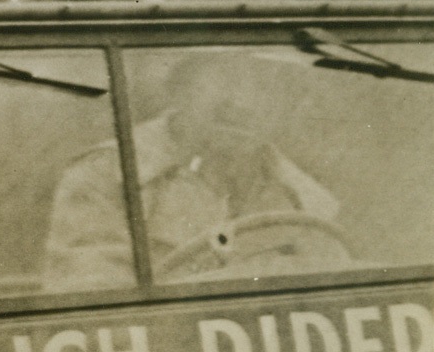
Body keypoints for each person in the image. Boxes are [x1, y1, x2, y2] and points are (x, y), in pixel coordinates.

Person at [43, 52, 342, 291]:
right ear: (181, 87)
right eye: (227, 77)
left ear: (287, 105)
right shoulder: (109, 177)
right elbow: (95, 310)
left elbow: (332, 309)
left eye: (266, 84)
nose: (242, 102)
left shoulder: (307, 202)